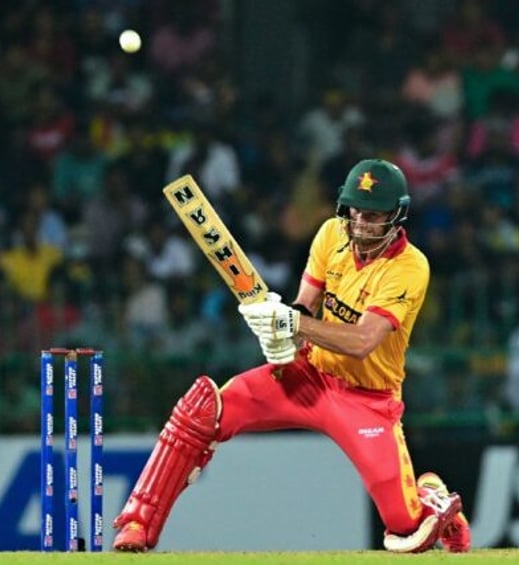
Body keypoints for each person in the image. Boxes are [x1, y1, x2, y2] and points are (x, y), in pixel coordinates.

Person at [111, 159, 471, 553]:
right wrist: (277, 330)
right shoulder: (331, 234)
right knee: (203, 410)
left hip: (367, 399)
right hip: (310, 374)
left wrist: (291, 325)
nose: (361, 223)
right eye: (355, 212)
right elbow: (303, 307)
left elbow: (362, 341)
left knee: (407, 533)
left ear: (396, 215)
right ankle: (136, 522)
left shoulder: (409, 266)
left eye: (373, 216)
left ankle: (431, 496)